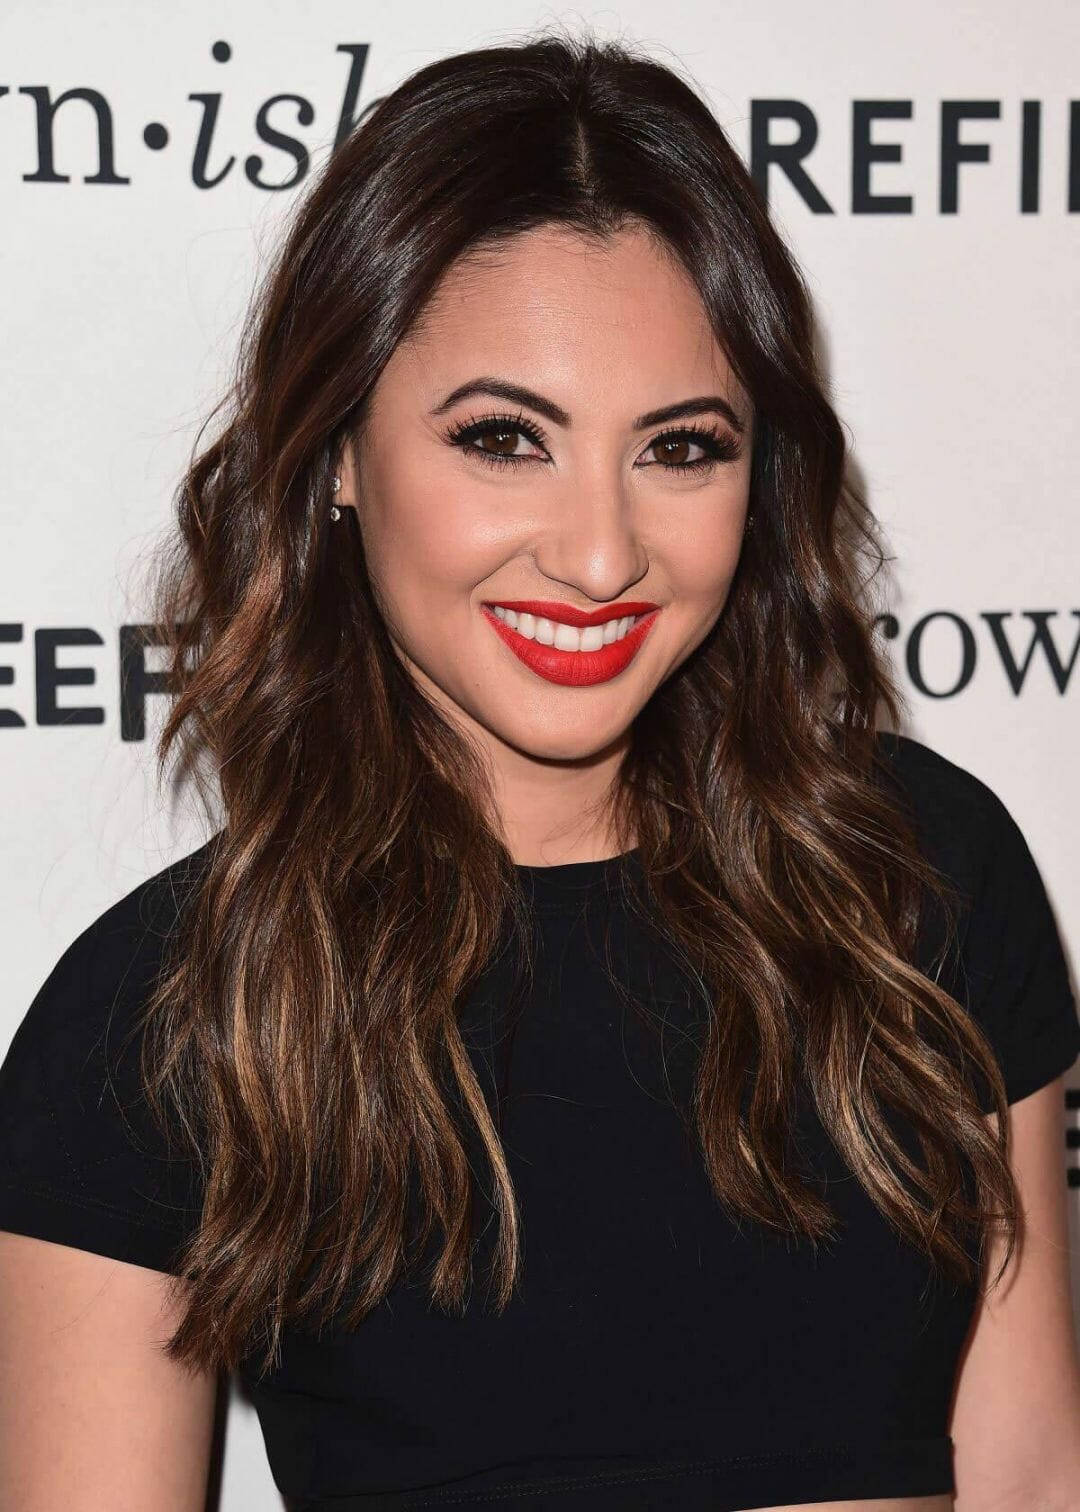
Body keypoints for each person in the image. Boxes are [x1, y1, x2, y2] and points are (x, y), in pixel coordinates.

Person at [2, 26, 1079, 1512]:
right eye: (504, 438)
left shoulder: (923, 880)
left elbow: (1032, 1472)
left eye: (681, 448)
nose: (597, 556)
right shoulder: (166, 1025)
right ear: (334, 455)